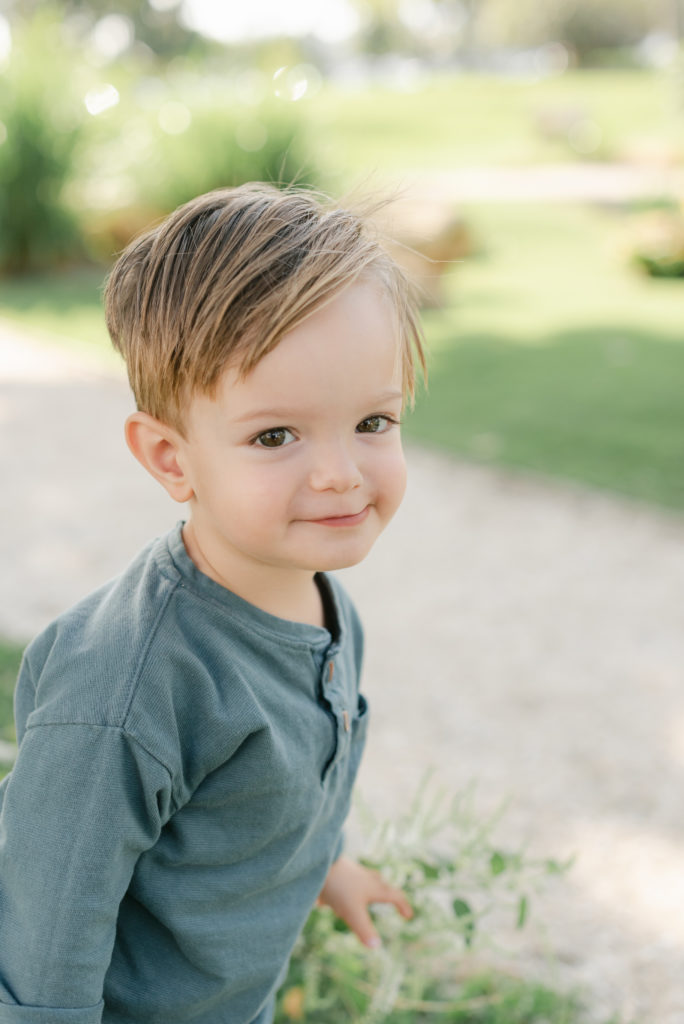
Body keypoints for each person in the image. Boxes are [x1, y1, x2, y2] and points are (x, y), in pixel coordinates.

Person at [0, 183, 426, 1024]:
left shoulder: (323, 608)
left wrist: (324, 864)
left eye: (373, 422)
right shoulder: (124, 692)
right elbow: (40, 956)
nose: (340, 472)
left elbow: (284, 786)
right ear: (170, 458)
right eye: (276, 436)